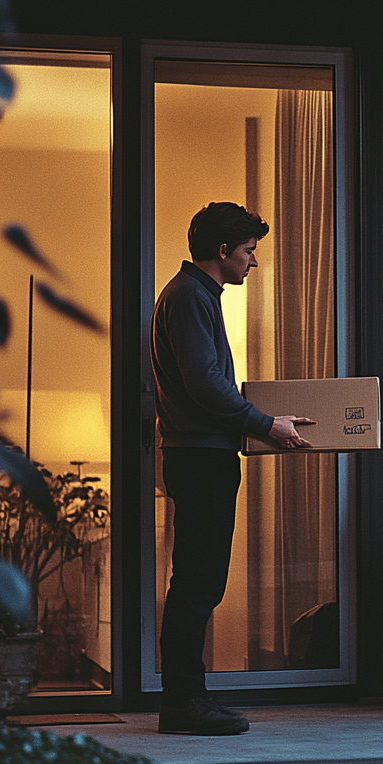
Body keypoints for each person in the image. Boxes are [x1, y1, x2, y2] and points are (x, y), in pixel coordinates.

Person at [151, 201, 314, 735]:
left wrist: (258, 422)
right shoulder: (190, 297)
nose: (253, 262)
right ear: (223, 251)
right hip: (199, 457)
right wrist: (265, 424)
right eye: (249, 251)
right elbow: (203, 384)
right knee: (198, 583)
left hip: (204, 453)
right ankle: (182, 703)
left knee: (200, 581)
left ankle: (189, 697)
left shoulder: (196, 295)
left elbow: (206, 385)